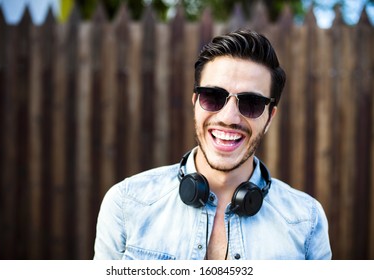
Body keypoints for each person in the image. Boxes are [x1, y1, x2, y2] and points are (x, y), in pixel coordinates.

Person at [93, 29, 332, 260]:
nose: (229, 118)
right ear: (195, 102)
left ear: (270, 117)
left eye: (251, 103)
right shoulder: (126, 204)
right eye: (213, 97)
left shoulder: (307, 221)